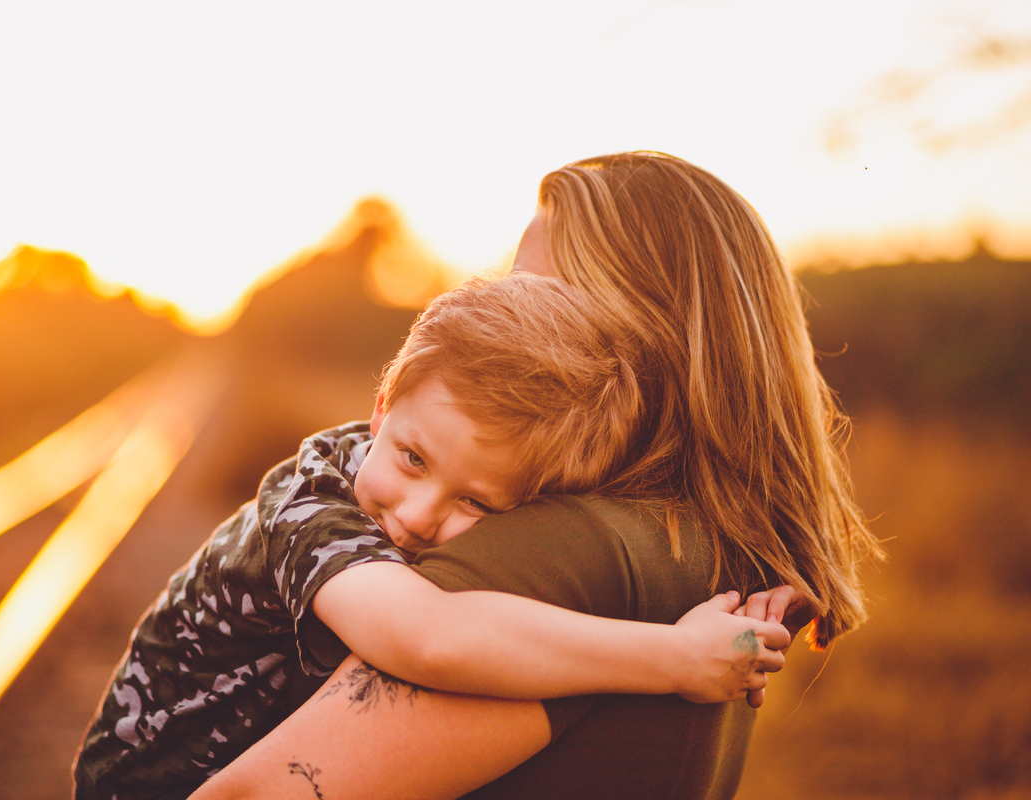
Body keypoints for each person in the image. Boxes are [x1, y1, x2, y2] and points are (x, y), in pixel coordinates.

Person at [190, 152, 884, 800]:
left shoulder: (566, 548)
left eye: (536, 298)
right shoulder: (711, 553)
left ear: (646, 327)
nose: (503, 324)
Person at [73, 274, 792, 800]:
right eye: (413, 459)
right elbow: (427, 638)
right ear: (381, 408)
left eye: (475, 501)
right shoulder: (310, 503)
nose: (418, 515)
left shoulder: (409, 484)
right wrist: (677, 658)